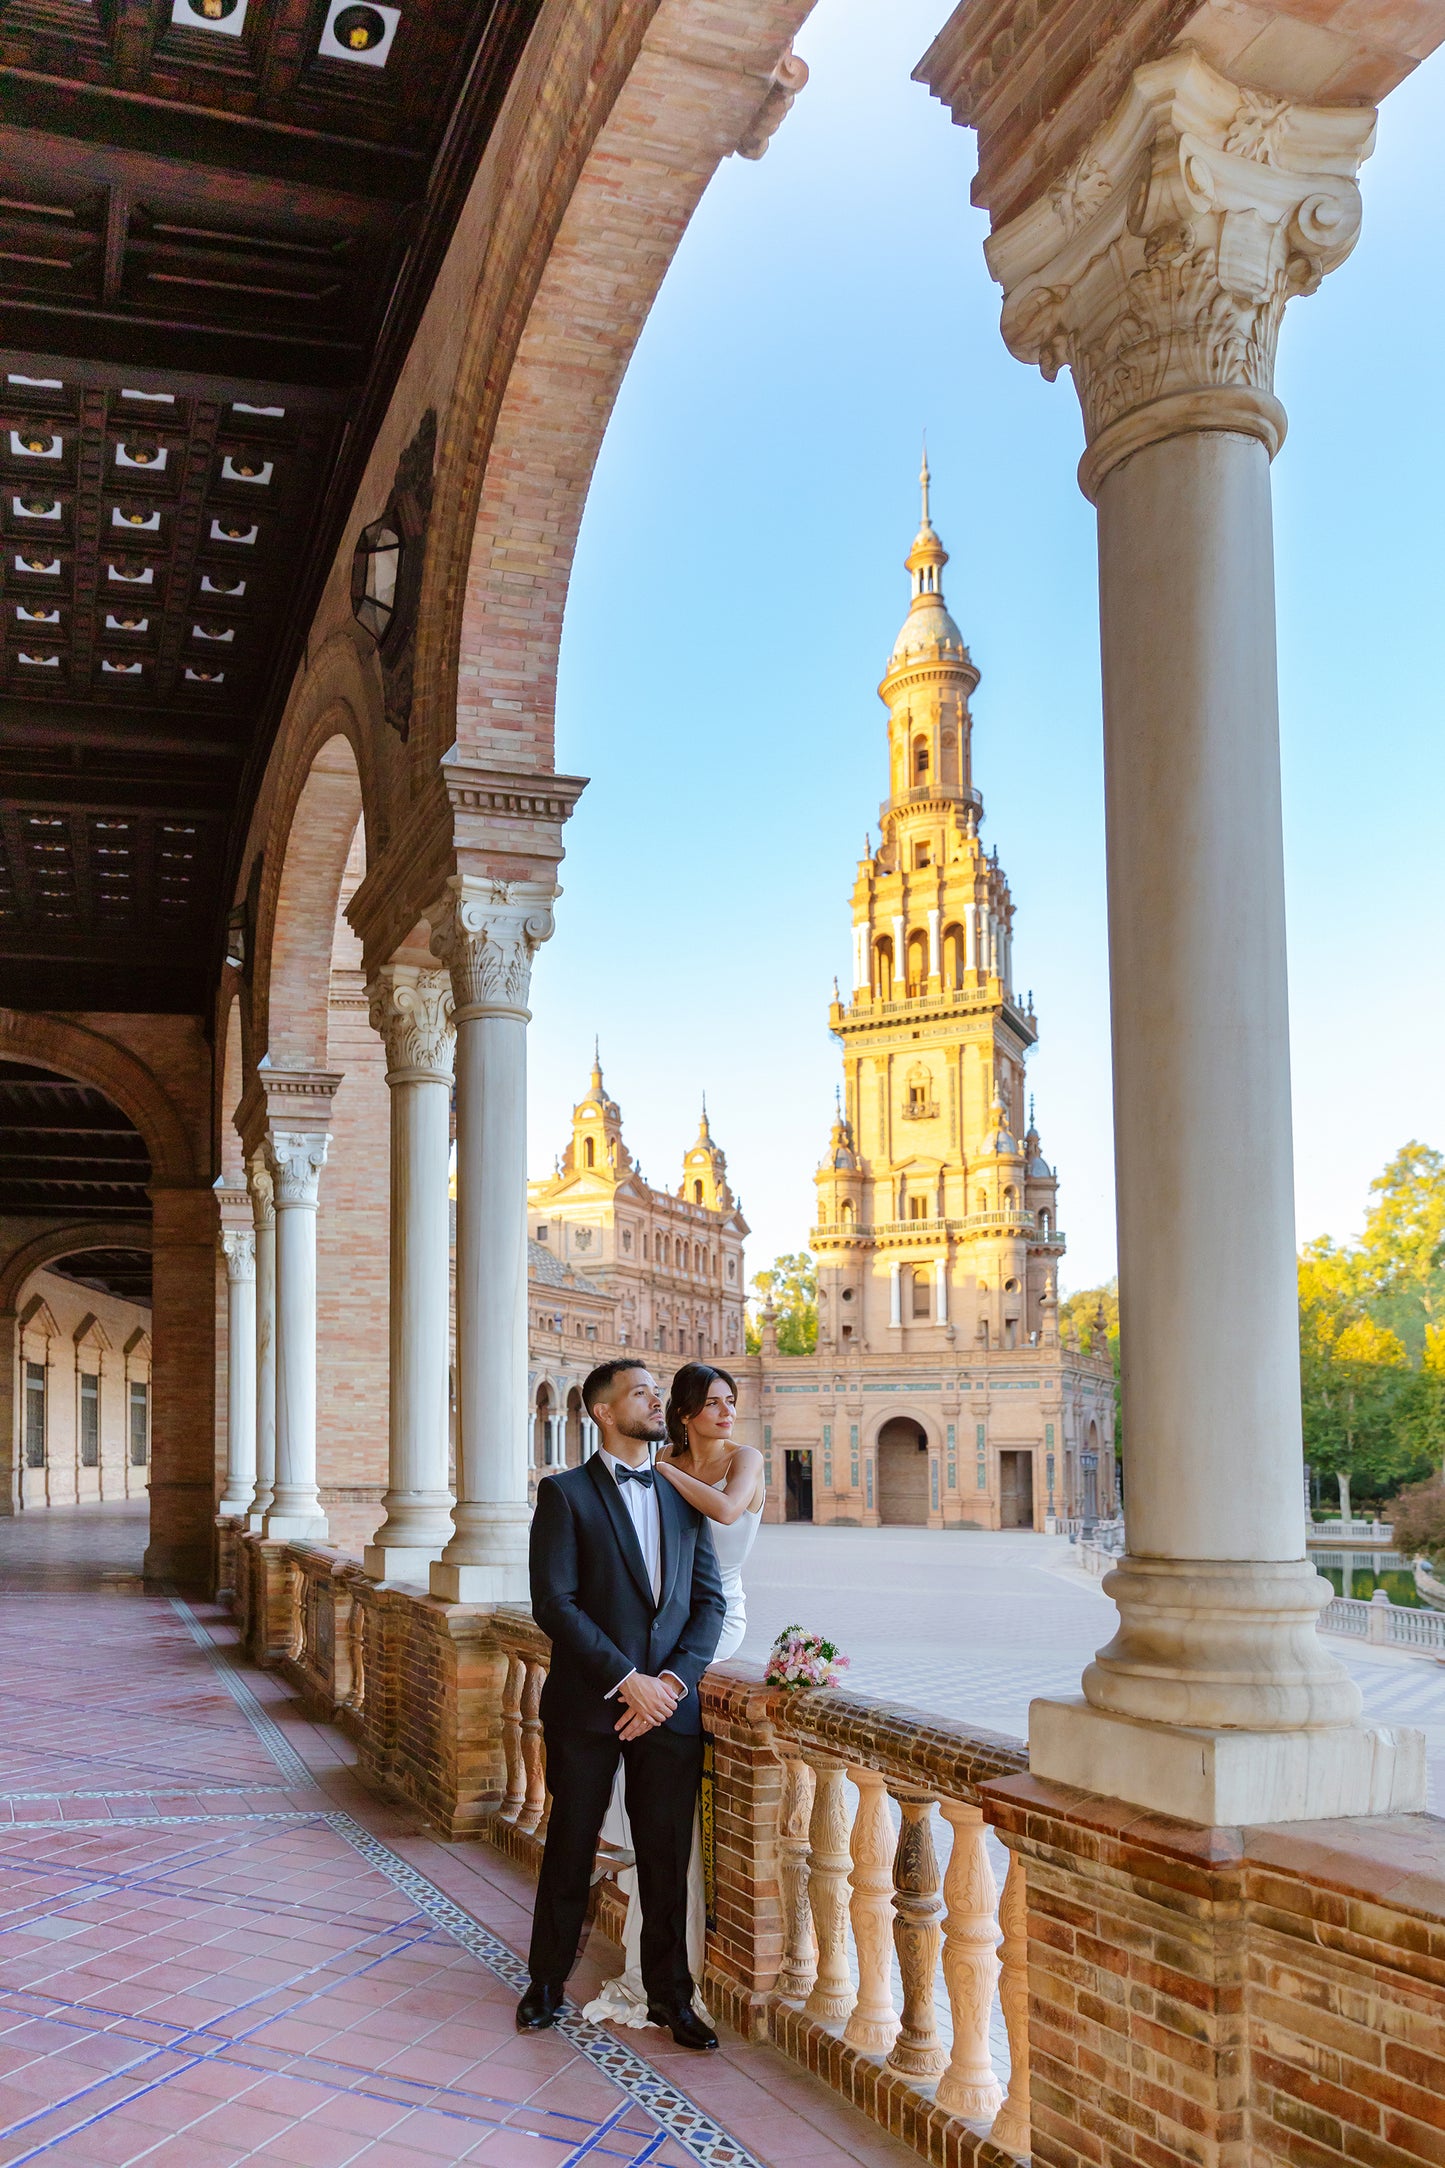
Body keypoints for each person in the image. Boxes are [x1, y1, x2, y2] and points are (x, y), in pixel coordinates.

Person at [519, 1359, 725, 2050]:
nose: (655, 1401)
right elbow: (555, 1603)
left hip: (669, 1708)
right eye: (641, 1393)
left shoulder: (683, 1495)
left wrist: (669, 1685)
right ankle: (544, 1982)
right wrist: (624, 1679)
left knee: (665, 1854)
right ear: (603, 1411)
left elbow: (709, 1602)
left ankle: (671, 1995)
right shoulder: (565, 1494)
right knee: (571, 1845)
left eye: (655, 1392)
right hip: (588, 1704)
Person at [583, 1363, 764, 2028]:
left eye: (729, 1401)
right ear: (684, 1412)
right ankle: (619, 1834)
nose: (725, 1412)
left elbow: (724, 1510)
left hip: (718, 1617)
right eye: (711, 1404)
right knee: (617, 1693)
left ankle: (612, 1834)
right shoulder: (661, 1460)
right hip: (661, 1619)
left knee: (645, 1704)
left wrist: (660, 1472)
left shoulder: (744, 1460)